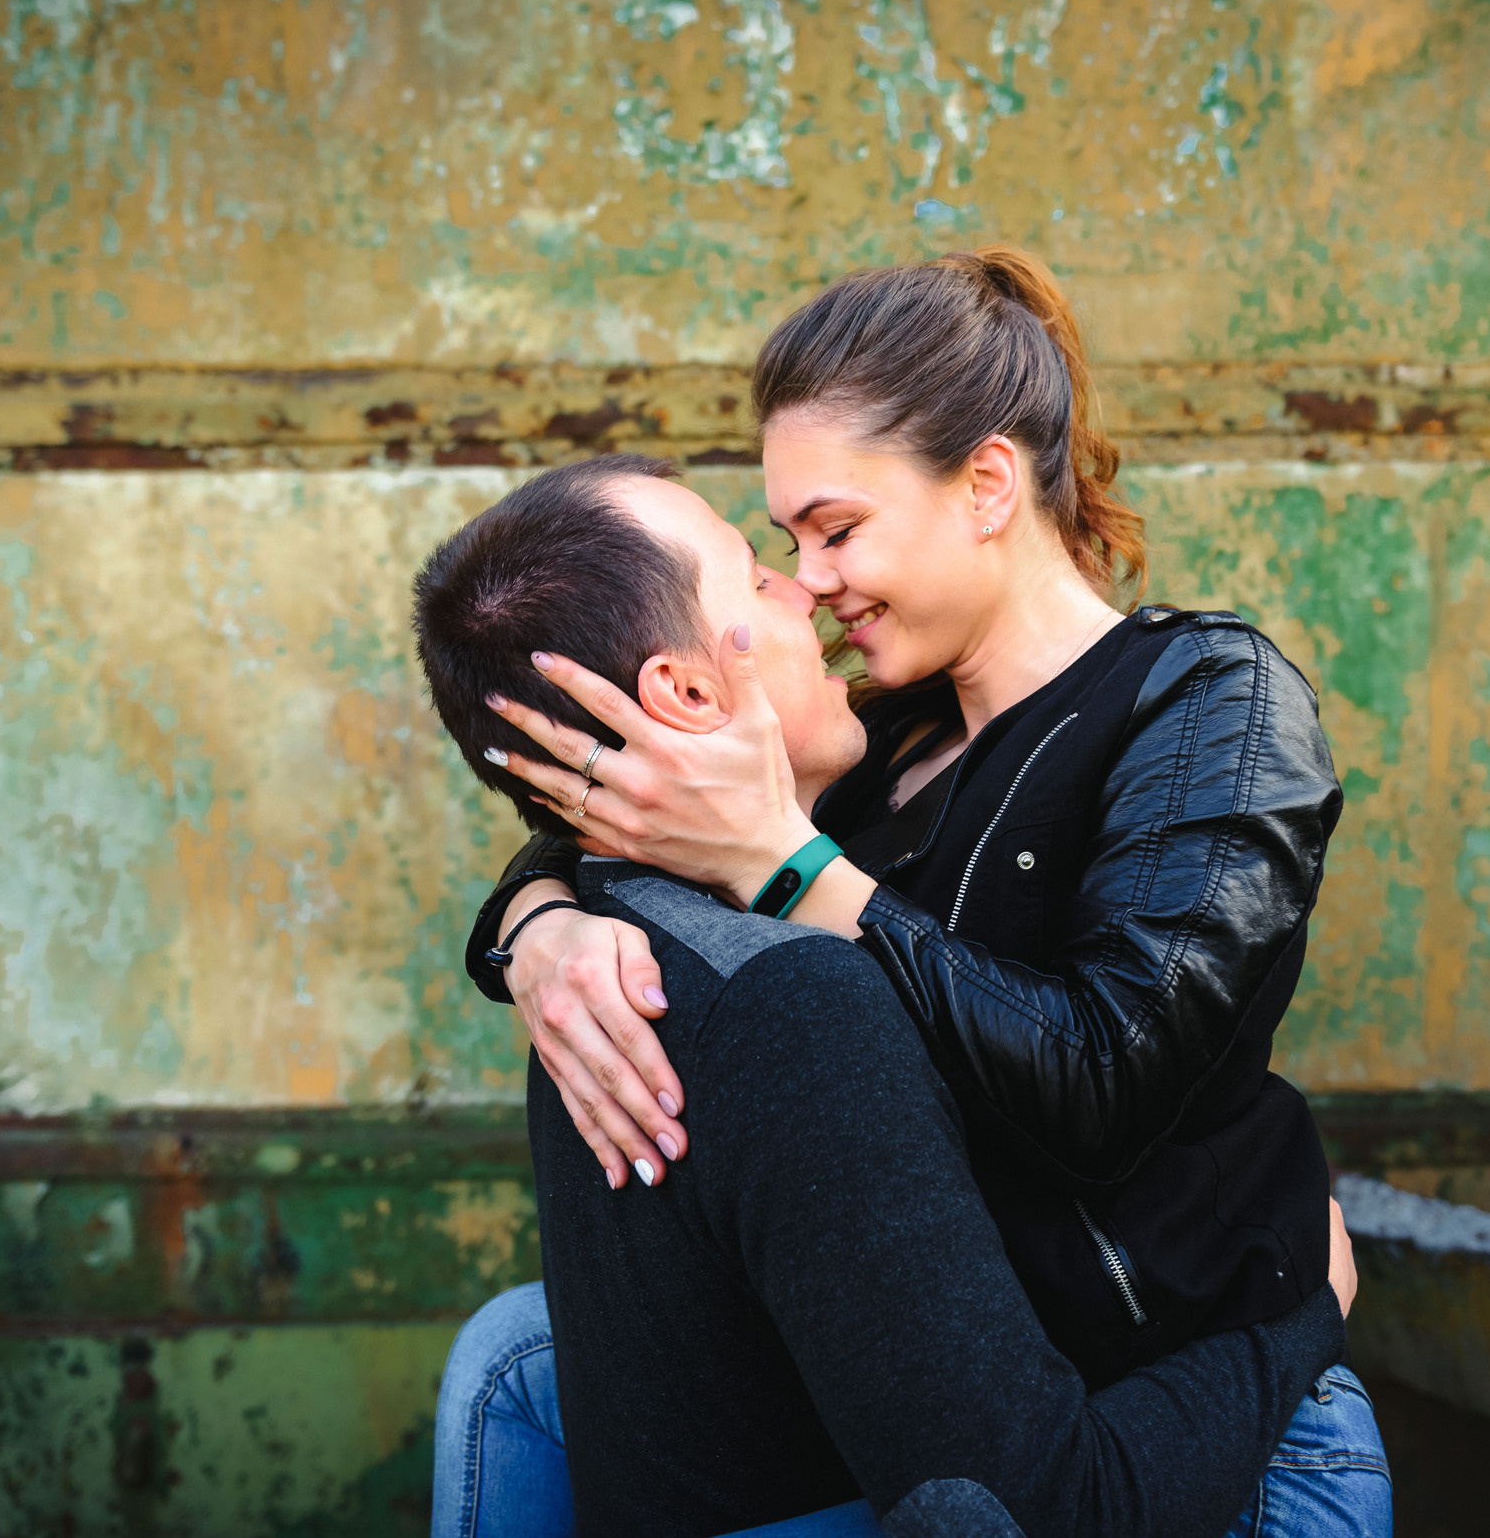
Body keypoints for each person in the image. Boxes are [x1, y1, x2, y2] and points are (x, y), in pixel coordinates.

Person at [412, 455, 1352, 1538]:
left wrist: (544, 912)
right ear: (685, 692)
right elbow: (1039, 1505)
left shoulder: (611, 954)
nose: (805, 584)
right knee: (517, 1347)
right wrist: (1302, 1317)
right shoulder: (746, 976)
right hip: (1162, 1425)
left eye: (836, 531)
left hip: (1133, 1374)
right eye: (762, 565)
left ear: (988, 485)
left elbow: (1100, 1067)